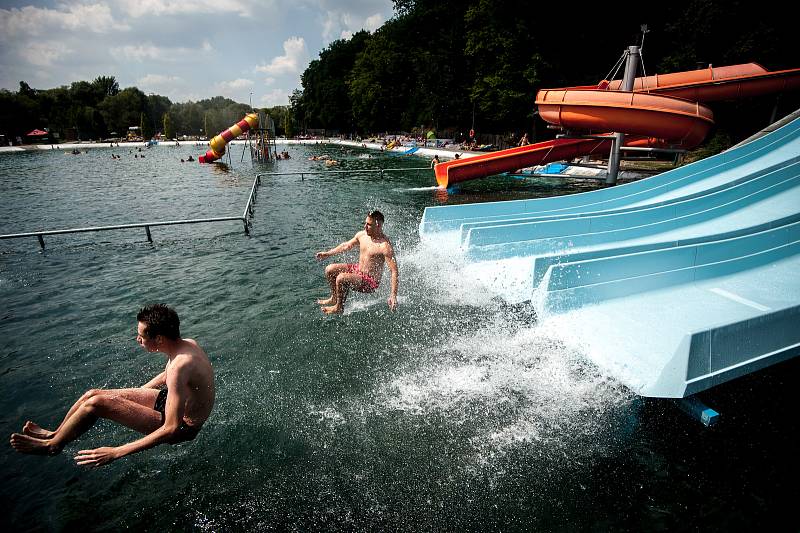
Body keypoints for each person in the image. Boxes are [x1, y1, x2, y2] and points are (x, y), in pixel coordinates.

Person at [10, 304, 215, 467]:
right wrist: (141, 391)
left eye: (142, 336)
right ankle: (56, 434)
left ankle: (52, 446)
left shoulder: (181, 366)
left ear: (159, 338)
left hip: (182, 427)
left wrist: (116, 452)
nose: (138, 340)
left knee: (98, 404)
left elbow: (170, 428)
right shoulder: (187, 344)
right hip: (172, 402)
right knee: (92, 394)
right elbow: (168, 375)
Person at [316, 211, 399, 314]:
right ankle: (334, 298)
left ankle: (339, 307)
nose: (365, 227)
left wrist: (393, 295)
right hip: (358, 270)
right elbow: (346, 245)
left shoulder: (384, 246)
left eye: (369, 224)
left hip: (370, 282)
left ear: (378, 225)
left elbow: (394, 271)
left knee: (341, 278)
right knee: (330, 269)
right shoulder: (362, 235)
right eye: (365, 223)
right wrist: (327, 253)